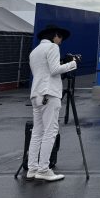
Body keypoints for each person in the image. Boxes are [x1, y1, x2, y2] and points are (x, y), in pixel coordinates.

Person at [26, 24, 78, 182]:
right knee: (50, 131)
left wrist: (63, 63)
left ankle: (32, 168)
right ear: (55, 35)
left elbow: (45, 71)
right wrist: (73, 63)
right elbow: (55, 70)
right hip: (49, 93)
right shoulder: (53, 47)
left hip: (36, 93)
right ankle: (43, 169)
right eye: (60, 37)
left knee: (37, 132)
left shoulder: (34, 51)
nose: (61, 41)